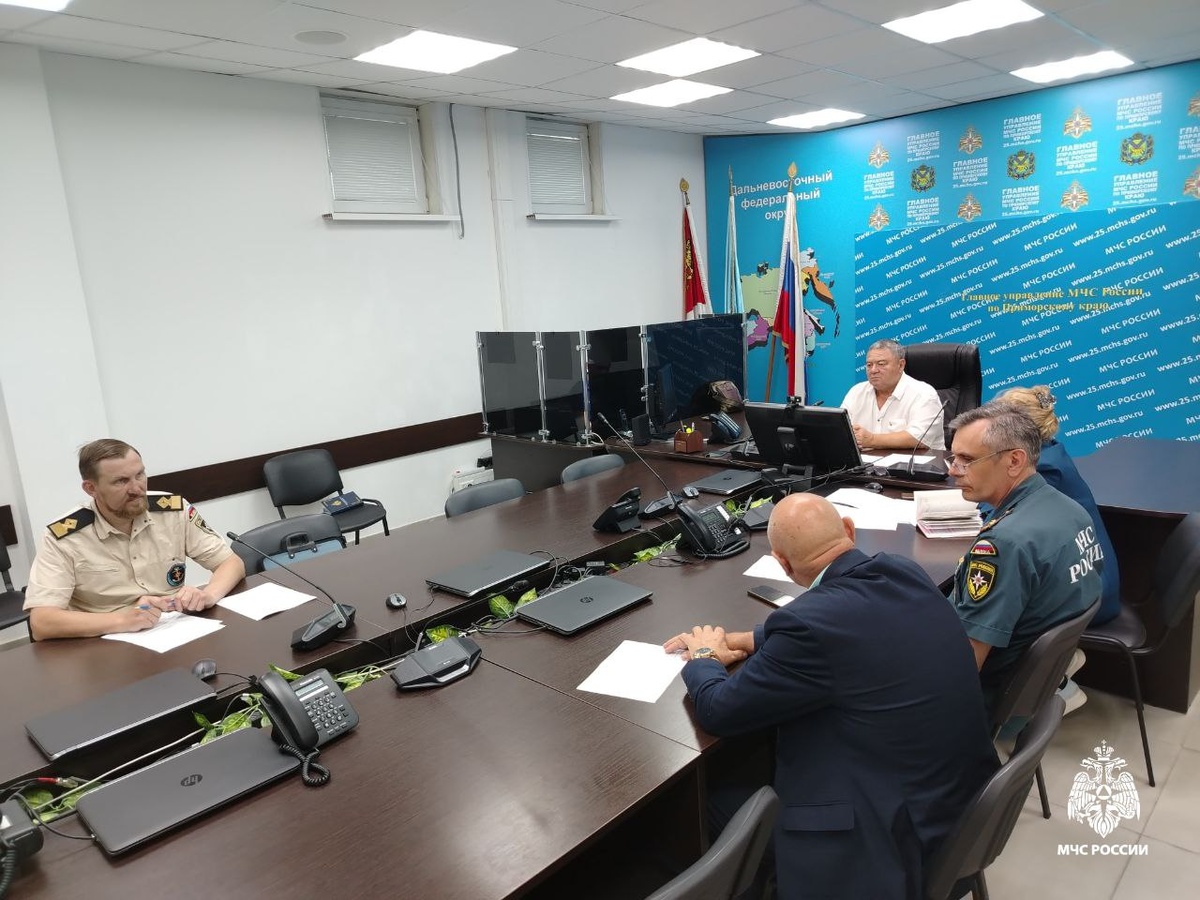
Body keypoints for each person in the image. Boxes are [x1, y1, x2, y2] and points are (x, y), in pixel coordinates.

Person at [663, 493, 998, 900]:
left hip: (887, 844)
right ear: (849, 531)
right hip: (958, 809)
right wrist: (747, 639)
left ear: (782, 563)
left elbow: (718, 710)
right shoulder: (902, 571)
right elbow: (848, 626)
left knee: (696, 808)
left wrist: (703, 656)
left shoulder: (809, 626)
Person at [946, 403, 1102, 713]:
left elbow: (966, 660)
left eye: (967, 460)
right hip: (1034, 684)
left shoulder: (1003, 544)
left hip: (989, 695)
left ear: (1014, 461)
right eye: (953, 458)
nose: (953, 470)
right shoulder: (1070, 510)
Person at [23, 439, 246, 640]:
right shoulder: (65, 537)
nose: (136, 489)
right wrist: (122, 620)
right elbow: (42, 622)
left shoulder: (172, 510)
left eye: (139, 475)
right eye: (121, 481)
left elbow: (230, 563)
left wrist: (208, 595)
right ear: (91, 488)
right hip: (104, 643)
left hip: (175, 629)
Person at [840, 338, 945, 451]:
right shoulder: (856, 392)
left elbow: (919, 439)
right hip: (866, 461)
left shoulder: (924, 394)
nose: (873, 370)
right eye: (869, 365)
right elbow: (840, 428)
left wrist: (871, 439)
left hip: (915, 461)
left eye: (881, 364)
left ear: (901, 365)